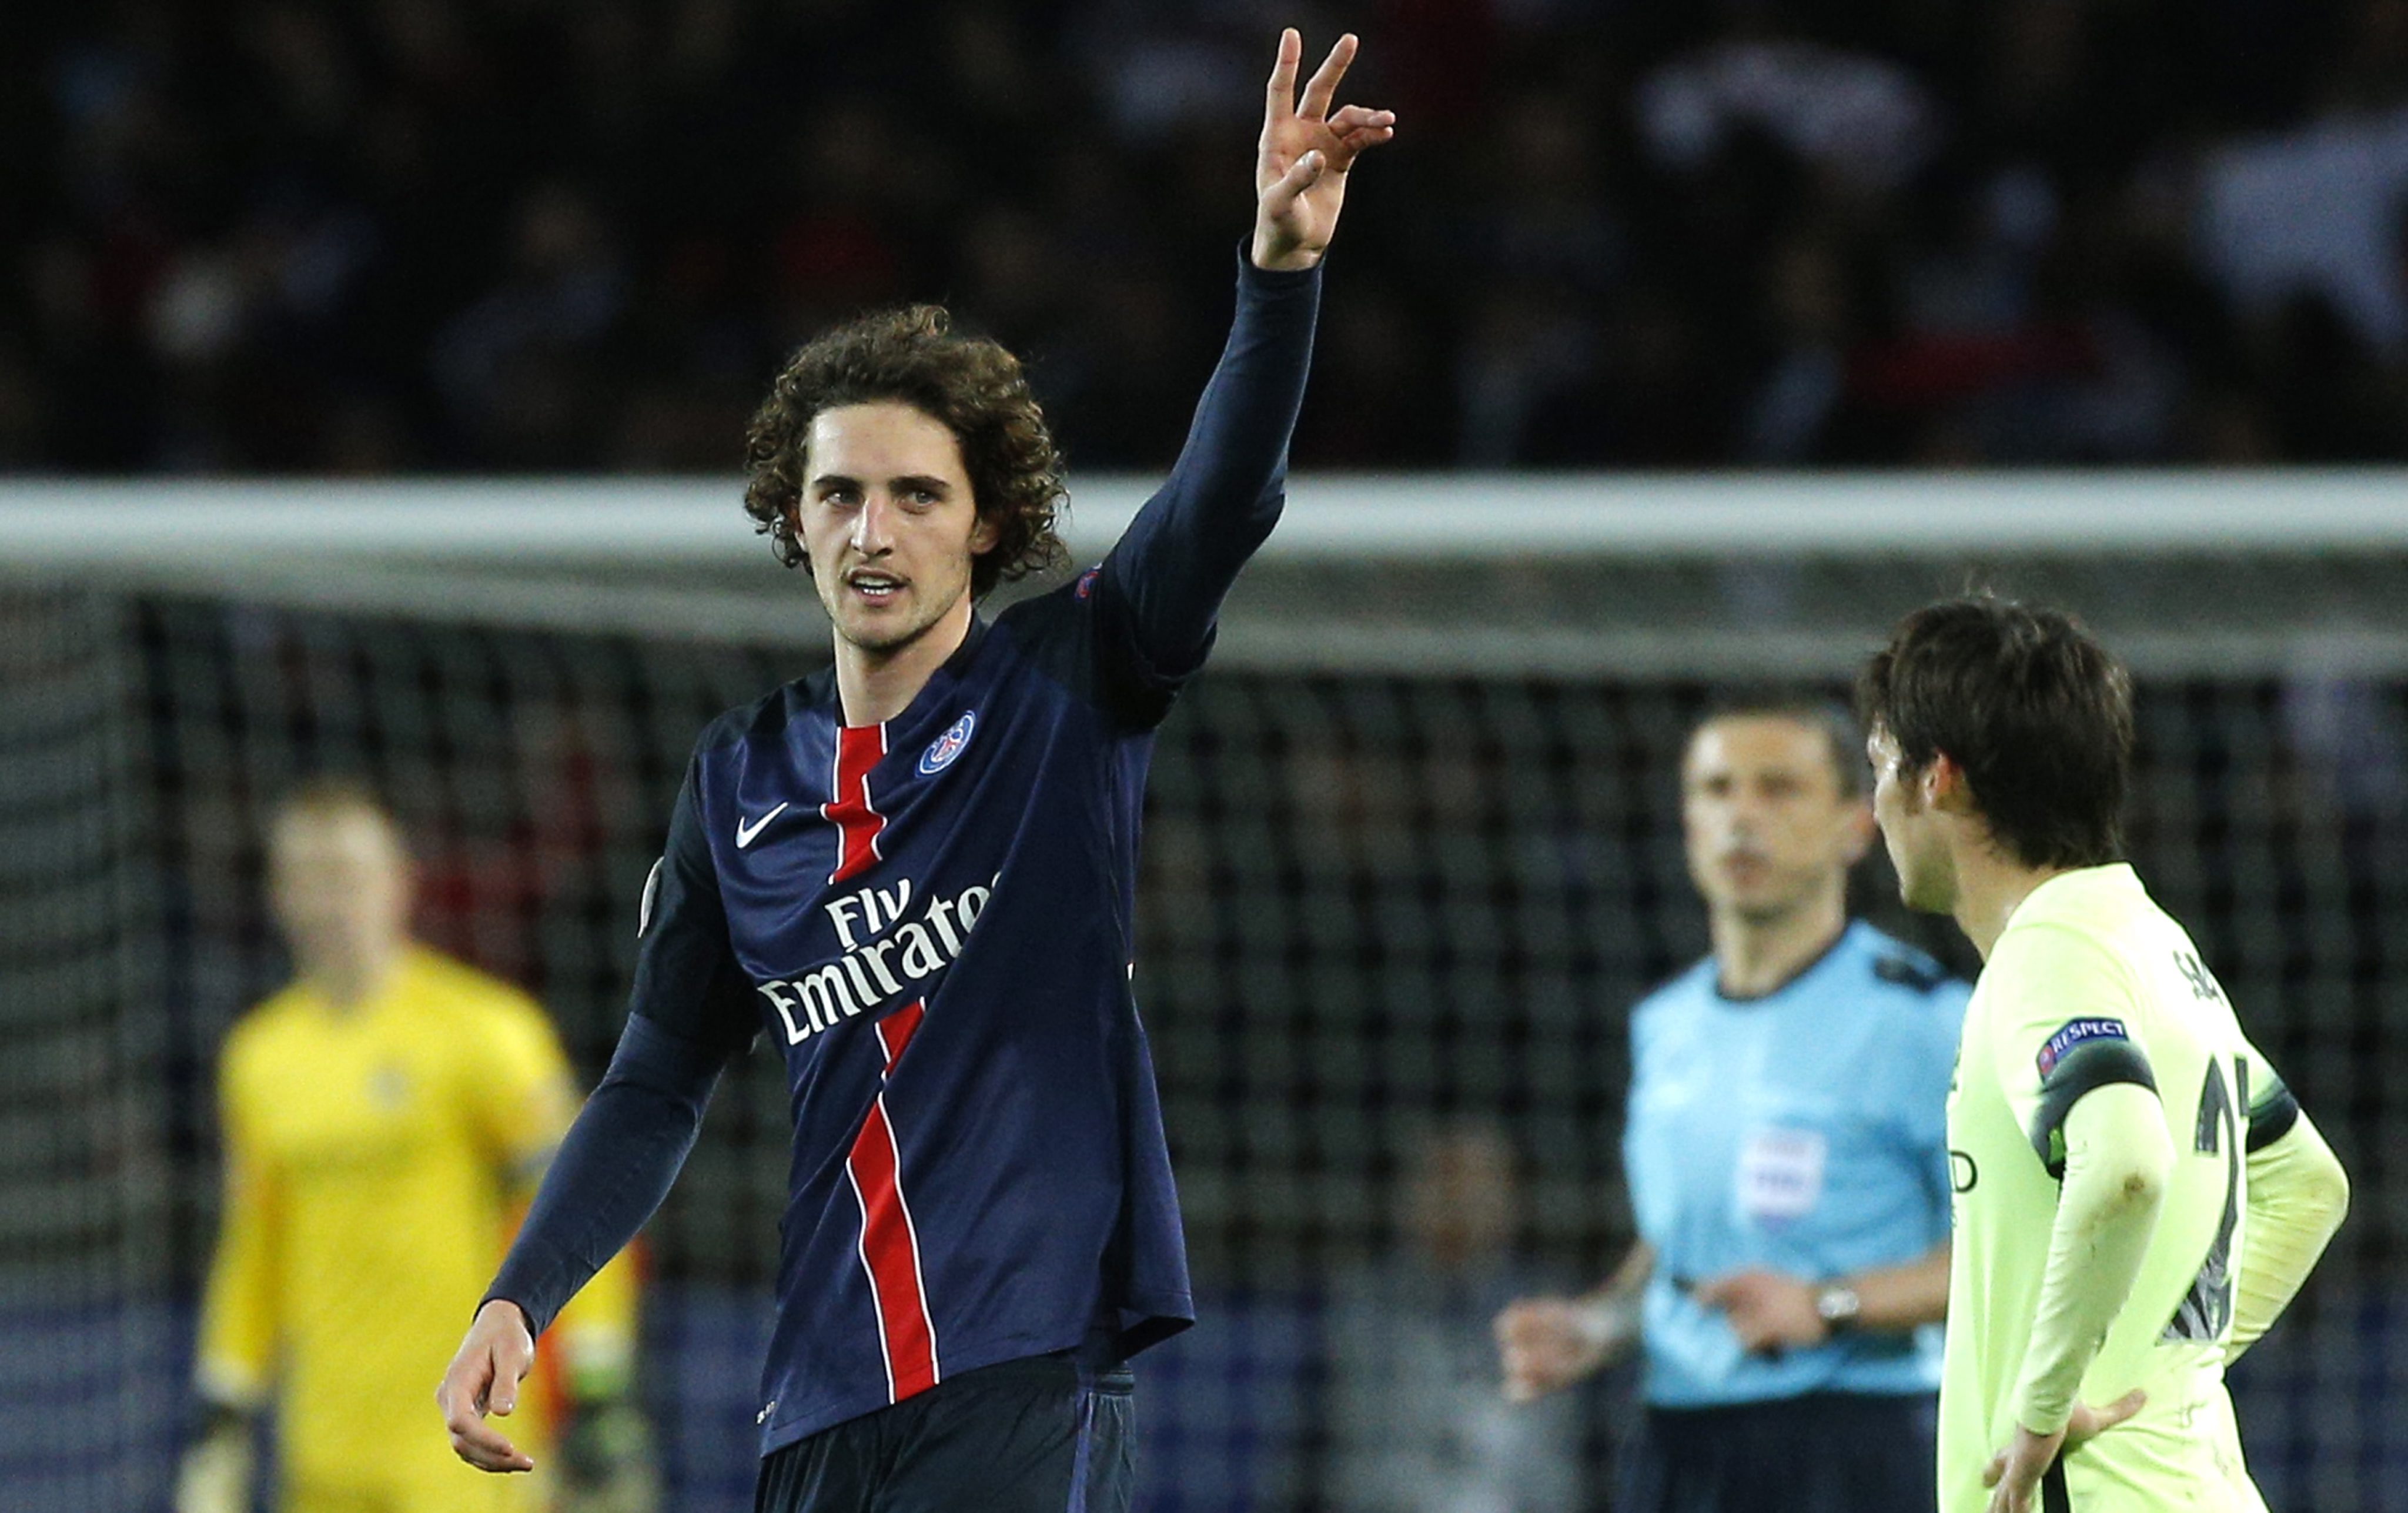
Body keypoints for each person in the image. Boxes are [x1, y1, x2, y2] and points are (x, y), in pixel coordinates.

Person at [435, 29, 1394, 1513]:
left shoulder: (1067, 686)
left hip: (1026, 1369)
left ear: (988, 525)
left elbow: (1223, 501)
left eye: (915, 495)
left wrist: (1278, 275)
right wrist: (520, 1293)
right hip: (817, 1396)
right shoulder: (737, 780)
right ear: (793, 521)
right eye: (838, 494)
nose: (873, 532)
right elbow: (657, 1074)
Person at [1857, 596, 2352, 1513]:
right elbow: (2309, 1184)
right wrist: (2154, 1376)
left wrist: (2044, 1405)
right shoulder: (2149, 941)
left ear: (1941, 779)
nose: (1876, 802)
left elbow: (2123, 1163)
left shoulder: (2050, 951)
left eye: (1883, 765)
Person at [1494, 693, 1967, 1513]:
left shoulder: (1927, 1021)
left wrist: (1828, 1304)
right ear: (1687, 822)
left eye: (1778, 789)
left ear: (1856, 827)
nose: (1741, 817)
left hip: (1861, 1440)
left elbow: (2013, 1257)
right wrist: (1599, 1327)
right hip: (1679, 1442)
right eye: (1717, 791)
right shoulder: (1665, 1026)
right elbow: (1678, 1248)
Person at [178, 781, 651, 1513]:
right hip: (323, 1457)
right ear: (276, 895)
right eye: (304, 878)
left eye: (346, 874)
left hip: (462, 1447)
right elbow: (255, 1244)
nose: (326, 901)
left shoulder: (488, 1032)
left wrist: (599, 1386)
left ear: (400, 883)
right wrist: (224, 1410)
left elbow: (583, 1208)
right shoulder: (258, 1059)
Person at [1323, 1125, 1580, 1512]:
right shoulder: (1358, 1315)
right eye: (1443, 1180)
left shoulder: (1549, 1315)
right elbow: (1331, 1471)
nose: (1457, 1199)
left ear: (1509, 1196)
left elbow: (1562, 1475)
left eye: (1475, 1182)